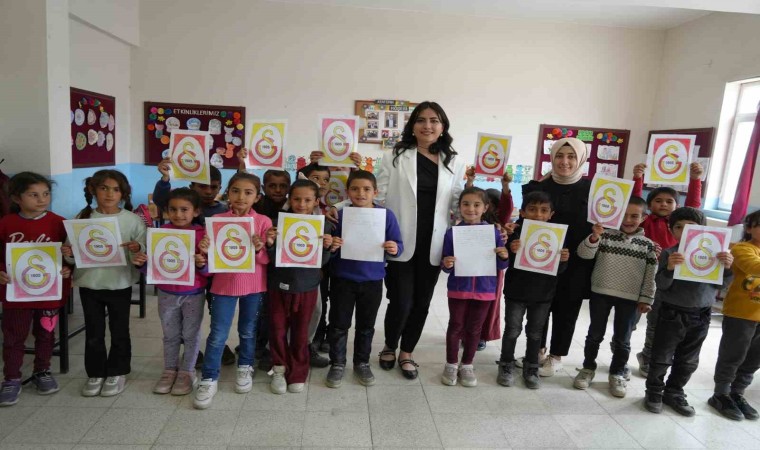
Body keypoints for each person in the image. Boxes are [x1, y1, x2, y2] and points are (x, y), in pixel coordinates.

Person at [371, 101, 466, 379]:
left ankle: (407, 352)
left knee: (422, 302)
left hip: (434, 243)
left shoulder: (455, 161)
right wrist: (345, 211)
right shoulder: (396, 156)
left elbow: (459, 201)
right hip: (400, 240)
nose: (428, 125)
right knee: (400, 300)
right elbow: (377, 196)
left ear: (443, 126)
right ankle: (389, 345)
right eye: (421, 120)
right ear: (412, 125)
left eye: (434, 120)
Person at [62, 170, 146, 397]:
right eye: (104, 188)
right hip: (90, 285)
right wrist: (68, 254)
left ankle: (117, 371)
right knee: (94, 332)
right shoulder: (82, 218)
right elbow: (72, 256)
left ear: (123, 193)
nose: (110, 194)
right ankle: (96, 372)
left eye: (116, 189)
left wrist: (137, 251)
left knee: (119, 331)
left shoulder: (132, 220)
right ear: (93, 190)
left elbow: (142, 251)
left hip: (120, 284)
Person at [644, 207, 733, 416]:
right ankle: (654, 391)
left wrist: (727, 267)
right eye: (678, 227)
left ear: (703, 230)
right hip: (671, 313)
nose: (684, 232)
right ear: (671, 230)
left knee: (689, 359)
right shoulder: (669, 253)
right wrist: (669, 269)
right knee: (661, 356)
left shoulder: (715, 255)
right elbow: (661, 285)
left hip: (701, 314)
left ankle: (674, 392)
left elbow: (722, 285)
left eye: (690, 228)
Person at [193, 173, 271, 409]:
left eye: (248, 193)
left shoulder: (263, 222)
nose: (241, 197)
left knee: (248, 330)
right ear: (228, 193)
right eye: (236, 191)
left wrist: (259, 248)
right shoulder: (217, 220)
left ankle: (245, 366)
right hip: (223, 286)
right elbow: (206, 259)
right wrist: (204, 249)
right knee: (217, 334)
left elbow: (267, 259)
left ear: (257, 197)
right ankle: (209, 377)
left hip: (254, 286)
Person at [521, 138, 592, 377]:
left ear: (581, 159)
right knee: (539, 305)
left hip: (576, 260)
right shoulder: (539, 187)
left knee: (567, 308)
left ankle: (556, 355)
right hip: (540, 257)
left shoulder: (592, 190)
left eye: (571, 156)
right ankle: (537, 350)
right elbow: (526, 219)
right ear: (552, 158)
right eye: (560, 156)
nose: (565, 161)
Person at [154, 158, 235, 367]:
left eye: (213, 187)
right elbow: (163, 199)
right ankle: (191, 352)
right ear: (192, 186)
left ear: (220, 187)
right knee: (185, 320)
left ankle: (218, 346)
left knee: (213, 313)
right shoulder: (183, 208)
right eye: (202, 186)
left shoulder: (224, 210)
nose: (208, 191)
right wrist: (165, 178)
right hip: (187, 277)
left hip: (214, 273)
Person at [573, 197, 657, 398]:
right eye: (624, 215)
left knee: (623, 339)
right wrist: (594, 237)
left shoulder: (648, 246)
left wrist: (646, 298)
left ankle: (617, 372)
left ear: (644, 218)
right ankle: (588, 367)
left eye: (634, 216)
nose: (628, 220)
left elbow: (650, 274)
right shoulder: (605, 236)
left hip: (629, 297)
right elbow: (584, 254)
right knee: (594, 334)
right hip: (601, 292)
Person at [325, 170, 403, 388]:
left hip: (372, 280)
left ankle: (362, 362)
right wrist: (333, 246)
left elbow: (398, 244)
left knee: (366, 325)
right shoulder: (339, 215)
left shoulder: (386, 216)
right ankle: (337, 363)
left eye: (367, 189)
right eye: (355, 189)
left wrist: (394, 248)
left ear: (375, 192)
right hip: (342, 278)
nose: (361, 193)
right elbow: (328, 248)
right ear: (348, 192)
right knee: (339, 324)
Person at [0, 172, 72, 406]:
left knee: (46, 334)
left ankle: (42, 370)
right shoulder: (6, 224)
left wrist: (67, 268)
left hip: (48, 295)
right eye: (33, 195)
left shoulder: (59, 223)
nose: (42, 199)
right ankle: (11, 378)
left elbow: (71, 255)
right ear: (16, 198)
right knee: (13, 336)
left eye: (46, 194)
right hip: (17, 295)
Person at [266, 180, 340, 394]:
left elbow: (323, 262)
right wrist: (270, 244)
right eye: (296, 199)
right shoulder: (278, 224)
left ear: (316, 201)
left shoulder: (323, 225)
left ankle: (298, 371)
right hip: (278, 285)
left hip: (307, 285)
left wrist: (328, 248)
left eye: (307, 200)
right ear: (290, 200)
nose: (301, 204)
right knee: (277, 328)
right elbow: (272, 259)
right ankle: (279, 367)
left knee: (301, 331)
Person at [132, 188, 209, 396]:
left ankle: (187, 371)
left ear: (196, 211)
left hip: (193, 293)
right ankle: (169, 370)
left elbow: (210, 270)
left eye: (184, 209)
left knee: (191, 334)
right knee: (170, 334)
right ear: (166, 211)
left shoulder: (203, 235)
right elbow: (154, 265)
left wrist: (202, 263)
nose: (178, 214)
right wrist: (141, 263)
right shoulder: (161, 233)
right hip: (166, 292)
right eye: (173, 209)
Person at [632, 162, 703, 377]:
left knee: (655, 323)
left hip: (666, 280)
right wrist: (638, 178)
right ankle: (623, 344)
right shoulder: (645, 221)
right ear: (650, 204)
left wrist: (695, 179)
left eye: (669, 201)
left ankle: (647, 354)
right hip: (641, 276)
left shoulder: (680, 225)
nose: (663, 204)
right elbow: (634, 202)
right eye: (658, 200)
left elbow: (693, 208)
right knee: (632, 319)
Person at [497, 191, 569, 389]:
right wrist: (510, 250)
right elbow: (504, 263)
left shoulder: (557, 236)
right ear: (522, 212)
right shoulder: (515, 234)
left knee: (535, 334)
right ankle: (506, 364)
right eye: (532, 209)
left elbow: (559, 270)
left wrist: (563, 260)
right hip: (516, 293)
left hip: (543, 295)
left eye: (544, 210)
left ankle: (532, 367)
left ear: (551, 214)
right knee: (512, 330)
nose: (538, 215)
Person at [440, 187, 509, 387]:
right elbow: (444, 263)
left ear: (485, 207)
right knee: (456, 326)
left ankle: (467, 364)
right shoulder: (452, 233)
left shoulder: (493, 233)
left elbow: (501, 265)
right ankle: (451, 363)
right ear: (459, 207)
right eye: (466, 204)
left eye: (477, 205)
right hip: (458, 288)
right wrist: (447, 263)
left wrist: (504, 256)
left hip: (485, 290)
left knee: (475, 328)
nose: (471, 209)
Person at [709, 209, 760, 421]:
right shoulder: (741, 249)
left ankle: (737, 393)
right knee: (733, 356)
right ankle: (721, 394)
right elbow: (754, 267)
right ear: (749, 228)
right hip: (741, 314)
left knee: (754, 359)